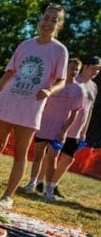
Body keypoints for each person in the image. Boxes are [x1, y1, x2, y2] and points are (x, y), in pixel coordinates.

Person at [0, 3, 69, 208]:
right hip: (9, 101)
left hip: (31, 107)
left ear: (59, 25)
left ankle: (7, 196)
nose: (48, 23)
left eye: (54, 20)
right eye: (46, 18)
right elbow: (9, 73)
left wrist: (49, 90)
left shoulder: (60, 51)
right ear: (40, 20)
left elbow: (62, 80)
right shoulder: (25, 45)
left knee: (20, 152)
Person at [22, 58, 84, 199]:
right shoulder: (54, 84)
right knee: (37, 156)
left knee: (52, 159)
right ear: (65, 68)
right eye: (71, 68)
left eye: (77, 70)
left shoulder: (78, 90)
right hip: (43, 126)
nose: (73, 71)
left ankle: (49, 189)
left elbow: (74, 113)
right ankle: (32, 182)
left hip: (58, 131)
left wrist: (64, 131)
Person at [42, 55, 100, 199]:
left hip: (77, 131)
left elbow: (89, 109)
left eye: (98, 70)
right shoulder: (73, 81)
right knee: (51, 156)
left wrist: (84, 131)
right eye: (93, 68)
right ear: (85, 66)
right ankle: (39, 182)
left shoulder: (94, 87)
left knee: (68, 158)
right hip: (62, 126)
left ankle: (53, 185)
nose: (96, 72)